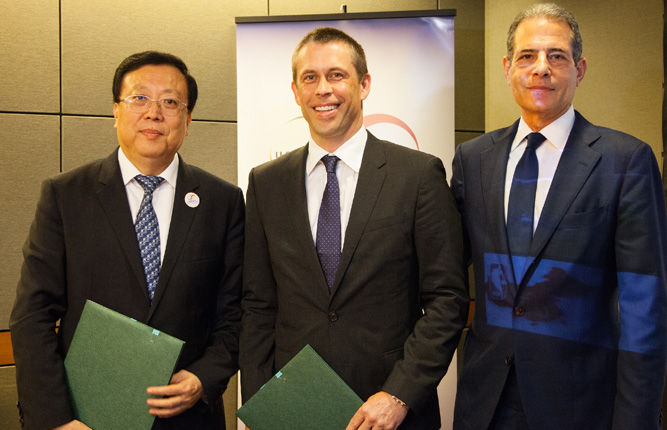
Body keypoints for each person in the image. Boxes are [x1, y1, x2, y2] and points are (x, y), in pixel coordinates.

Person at [239, 27, 469, 430]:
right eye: (310, 78)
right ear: (295, 91)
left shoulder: (417, 175)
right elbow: (258, 305)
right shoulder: (266, 182)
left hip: (389, 410)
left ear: (364, 85)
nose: (322, 89)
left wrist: (400, 394)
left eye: (336, 75)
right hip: (294, 408)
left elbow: (447, 299)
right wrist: (262, 407)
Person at [451, 4, 667, 429]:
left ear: (579, 69)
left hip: (580, 405)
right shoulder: (473, 159)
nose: (541, 68)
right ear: (507, 68)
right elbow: (446, 276)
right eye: (527, 56)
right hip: (485, 402)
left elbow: (644, 309)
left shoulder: (626, 160)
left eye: (556, 56)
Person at [10, 51, 244, 430]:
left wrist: (204, 377)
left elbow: (235, 312)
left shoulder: (223, 202)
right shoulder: (66, 196)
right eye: (139, 98)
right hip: (86, 417)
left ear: (187, 121)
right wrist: (56, 419)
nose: (154, 113)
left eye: (170, 102)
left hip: (188, 418)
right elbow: (32, 314)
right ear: (116, 111)